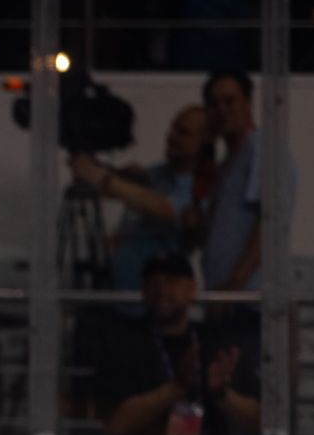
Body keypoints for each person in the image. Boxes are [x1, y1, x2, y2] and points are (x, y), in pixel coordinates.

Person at [74, 250, 259, 435]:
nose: (161, 290)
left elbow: (260, 423)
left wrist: (223, 394)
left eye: (171, 281)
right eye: (153, 282)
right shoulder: (123, 341)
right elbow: (114, 426)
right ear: (143, 291)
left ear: (191, 288)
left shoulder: (215, 341)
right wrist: (173, 390)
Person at [69, 104, 212, 301]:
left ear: (204, 140)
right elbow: (119, 190)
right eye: (172, 129)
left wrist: (100, 176)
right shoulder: (158, 174)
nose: (172, 137)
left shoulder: (204, 184)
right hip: (113, 292)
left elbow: (163, 207)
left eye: (183, 133)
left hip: (154, 298)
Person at [200, 70, 297, 303]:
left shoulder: (261, 148)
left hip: (247, 299)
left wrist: (234, 286)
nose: (221, 109)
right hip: (222, 296)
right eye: (214, 103)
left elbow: (270, 222)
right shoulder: (225, 164)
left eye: (229, 101)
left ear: (248, 102)